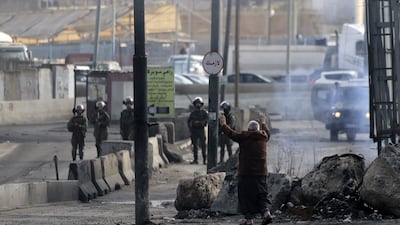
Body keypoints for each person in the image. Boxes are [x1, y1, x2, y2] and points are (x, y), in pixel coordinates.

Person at [219, 112, 273, 225]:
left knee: (245, 196)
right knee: (261, 194)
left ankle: (249, 220)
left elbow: (231, 134)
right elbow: (267, 131)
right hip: (261, 173)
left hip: (246, 173)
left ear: (248, 129)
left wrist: (223, 124)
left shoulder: (243, 137)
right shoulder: (264, 137)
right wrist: (263, 122)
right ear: (258, 129)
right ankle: (266, 213)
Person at [187, 96, 208, 165]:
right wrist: (191, 129)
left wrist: (201, 123)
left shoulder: (204, 113)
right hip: (194, 131)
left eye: (199, 103)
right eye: (196, 103)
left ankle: (204, 160)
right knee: (195, 146)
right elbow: (189, 121)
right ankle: (195, 160)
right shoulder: (193, 113)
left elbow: (207, 120)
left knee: (203, 146)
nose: (198, 105)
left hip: (201, 130)